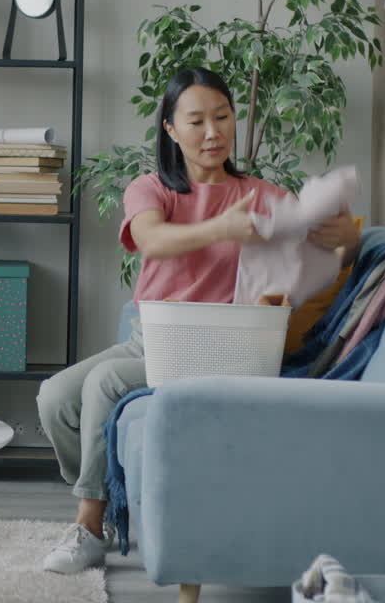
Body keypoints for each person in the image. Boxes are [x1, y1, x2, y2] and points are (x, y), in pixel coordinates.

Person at [36, 66, 360, 574]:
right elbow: (152, 240)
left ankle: (90, 525)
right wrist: (221, 228)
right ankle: (110, 490)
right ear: (169, 128)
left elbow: (327, 250)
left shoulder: (261, 195)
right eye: (196, 121)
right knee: (53, 398)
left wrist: (341, 234)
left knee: (102, 383)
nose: (213, 132)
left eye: (223, 117)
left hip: (217, 346)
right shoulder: (151, 188)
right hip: (152, 338)